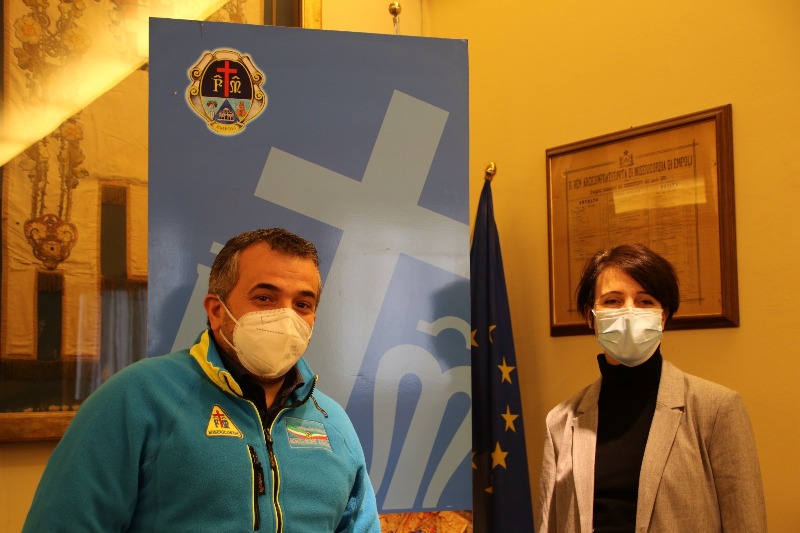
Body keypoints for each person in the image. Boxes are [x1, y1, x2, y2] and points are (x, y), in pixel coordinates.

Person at [23, 228, 381, 532]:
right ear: (216, 310)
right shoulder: (136, 399)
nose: (286, 317)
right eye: (264, 297)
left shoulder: (333, 423)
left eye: (302, 304)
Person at [535, 244, 766, 532]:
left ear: (663, 316)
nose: (629, 312)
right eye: (612, 301)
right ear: (590, 317)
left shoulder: (717, 410)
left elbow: (746, 522)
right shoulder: (560, 422)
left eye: (645, 301)